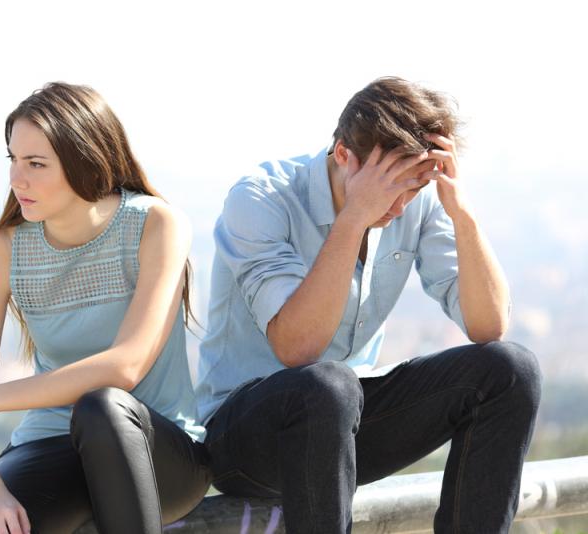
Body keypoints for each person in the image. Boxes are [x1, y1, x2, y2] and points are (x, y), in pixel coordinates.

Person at [195, 77, 541, 533]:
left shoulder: (415, 202)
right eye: (390, 188)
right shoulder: (260, 198)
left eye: (412, 189)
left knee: (510, 369)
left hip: (346, 424)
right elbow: (298, 349)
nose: (399, 207)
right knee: (327, 385)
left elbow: (488, 325)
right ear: (344, 155)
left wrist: (462, 214)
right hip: (244, 437)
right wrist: (355, 215)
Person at [0, 82, 210, 534]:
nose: (17, 179)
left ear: (85, 159)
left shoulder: (157, 224)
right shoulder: (1, 249)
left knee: (102, 407)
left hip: (156, 452)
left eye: (36, 164)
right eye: (13, 159)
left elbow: (125, 367)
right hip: (52, 448)